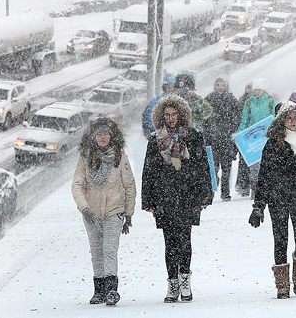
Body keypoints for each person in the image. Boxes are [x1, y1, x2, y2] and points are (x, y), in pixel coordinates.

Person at [248, 102, 296, 299]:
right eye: (288, 118)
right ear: (281, 121)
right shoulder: (271, 145)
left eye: (295, 118)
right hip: (278, 199)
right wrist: (259, 206)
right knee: (280, 240)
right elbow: (264, 177)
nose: (292, 122)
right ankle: (282, 283)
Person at [141, 94, 213, 303]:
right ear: (162, 117)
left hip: (187, 195)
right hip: (164, 196)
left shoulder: (193, 136)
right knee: (169, 242)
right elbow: (149, 171)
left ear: (181, 115)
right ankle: (172, 282)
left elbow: (202, 166)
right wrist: (149, 200)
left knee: (185, 240)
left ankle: (185, 280)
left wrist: (204, 194)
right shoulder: (155, 139)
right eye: (167, 115)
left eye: (174, 114)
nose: (171, 118)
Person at [72, 116, 137, 306]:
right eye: (99, 134)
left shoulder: (119, 157)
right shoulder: (85, 157)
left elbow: (129, 185)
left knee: (109, 250)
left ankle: (111, 289)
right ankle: (98, 289)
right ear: (93, 136)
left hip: (114, 211)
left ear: (111, 136)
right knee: (96, 251)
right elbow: (77, 184)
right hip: (91, 213)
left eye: (105, 134)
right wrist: (84, 207)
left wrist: (128, 213)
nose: (102, 137)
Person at [236, 78, 278, 198]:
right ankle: (256, 191)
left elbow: (276, 118)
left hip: (267, 137)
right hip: (253, 138)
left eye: (259, 89)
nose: (257, 92)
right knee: (254, 166)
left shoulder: (271, 102)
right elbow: (245, 120)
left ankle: (269, 189)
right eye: (255, 89)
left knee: (269, 164)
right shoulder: (248, 103)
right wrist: (239, 134)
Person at [202, 78, 241, 201]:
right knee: (213, 168)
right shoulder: (208, 99)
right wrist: (207, 133)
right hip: (212, 140)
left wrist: (231, 129)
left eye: (222, 85)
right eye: (217, 85)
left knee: (226, 168)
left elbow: (237, 116)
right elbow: (204, 118)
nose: (220, 87)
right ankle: (211, 192)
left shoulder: (231, 100)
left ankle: (225, 193)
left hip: (226, 139)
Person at [142, 73, 177, 139]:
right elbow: (148, 119)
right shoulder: (156, 101)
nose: (170, 89)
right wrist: (158, 133)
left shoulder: (182, 101)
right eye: (168, 86)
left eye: (173, 86)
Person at [235, 83, 253, 197]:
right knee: (244, 161)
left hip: (255, 135)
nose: (250, 90)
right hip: (245, 135)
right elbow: (239, 118)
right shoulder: (242, 102)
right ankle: (243, 184)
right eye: (248, 88)